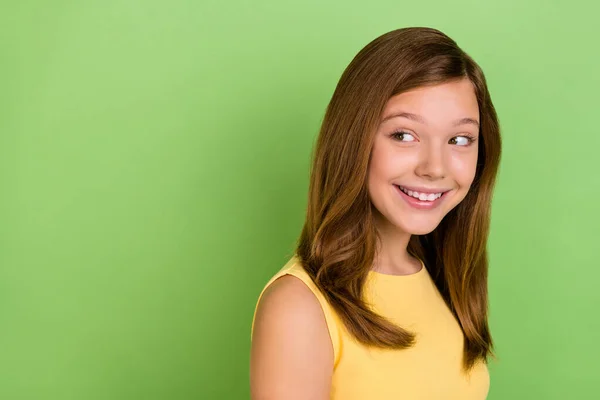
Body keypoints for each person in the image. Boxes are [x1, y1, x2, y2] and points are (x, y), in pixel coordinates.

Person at [249, 26, 502, 400]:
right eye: (404, 135)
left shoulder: (442, 279)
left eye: (459, 139)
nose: (435, 167)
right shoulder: (299, 309)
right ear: (354, 140)